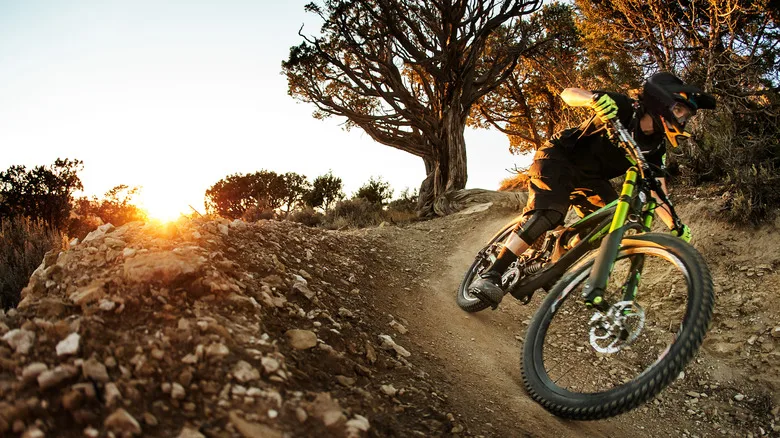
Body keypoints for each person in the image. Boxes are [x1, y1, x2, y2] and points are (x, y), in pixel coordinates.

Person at [469, 72, 716, 309]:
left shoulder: (655, 147)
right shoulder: (624, 107)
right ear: (661, 101)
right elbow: (568, 93)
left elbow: (657, 191)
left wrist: (675, 224)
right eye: (680, 110)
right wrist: (593, 100)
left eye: (687, 115)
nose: (683, 119)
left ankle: (552, 261)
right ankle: (493, 272)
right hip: (559, 157)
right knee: (549, 214)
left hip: (592, 180)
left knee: (610, 223)